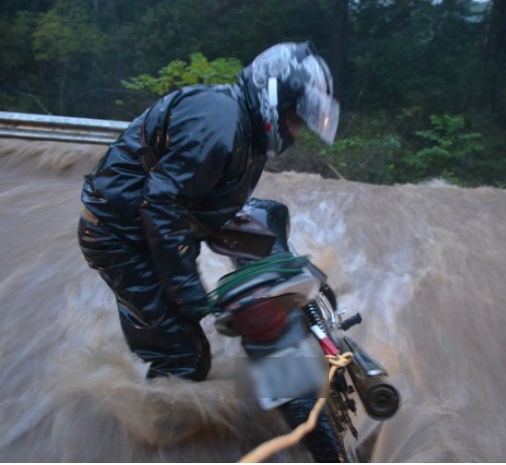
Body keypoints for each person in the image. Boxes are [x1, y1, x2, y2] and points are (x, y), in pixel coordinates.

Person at [77, 42, 343, 461]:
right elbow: (160, 206)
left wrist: (283, 275)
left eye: (299, 122)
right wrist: (188, 292)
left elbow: (212, 205)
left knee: (269, 230)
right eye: (293, 117)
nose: (294, 130)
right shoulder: (219, 119)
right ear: (271, 95)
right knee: (185, 357)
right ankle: (163, 443)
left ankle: (287, 367)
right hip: (120, 235)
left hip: (174, 221)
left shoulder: (250, 134)